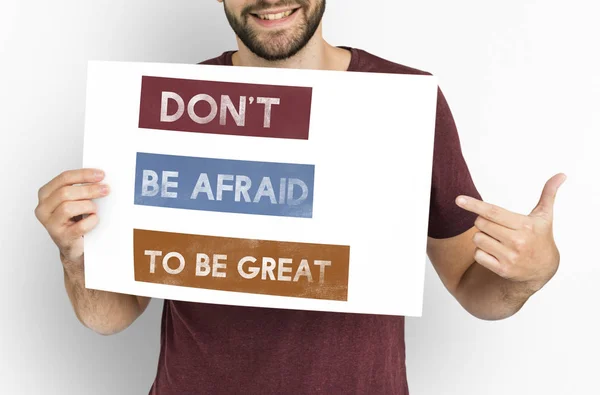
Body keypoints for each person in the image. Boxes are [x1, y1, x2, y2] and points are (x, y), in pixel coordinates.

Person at [34, 1, 566, 394]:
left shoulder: (402, 104)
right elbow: (110, 315)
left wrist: (530, 273)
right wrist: (75, 255)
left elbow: (474, 290)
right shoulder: (163, 107)